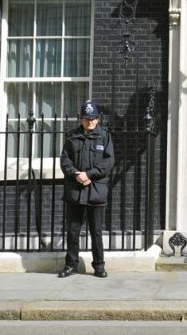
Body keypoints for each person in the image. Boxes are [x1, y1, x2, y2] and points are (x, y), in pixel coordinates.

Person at [58, 100, 114, 278]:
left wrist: (89, 175)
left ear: (98, 119)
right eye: (87, 118)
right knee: (73, 231)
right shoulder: (71, 135)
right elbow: (65, 160)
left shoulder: (104, 136)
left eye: (93, 118)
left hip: (95, 191)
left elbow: (108, 162)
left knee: (96, 232)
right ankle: (70, 265)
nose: (90, 121)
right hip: (75, 190)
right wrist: (76, 174)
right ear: (81, 119)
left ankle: (99, 266)